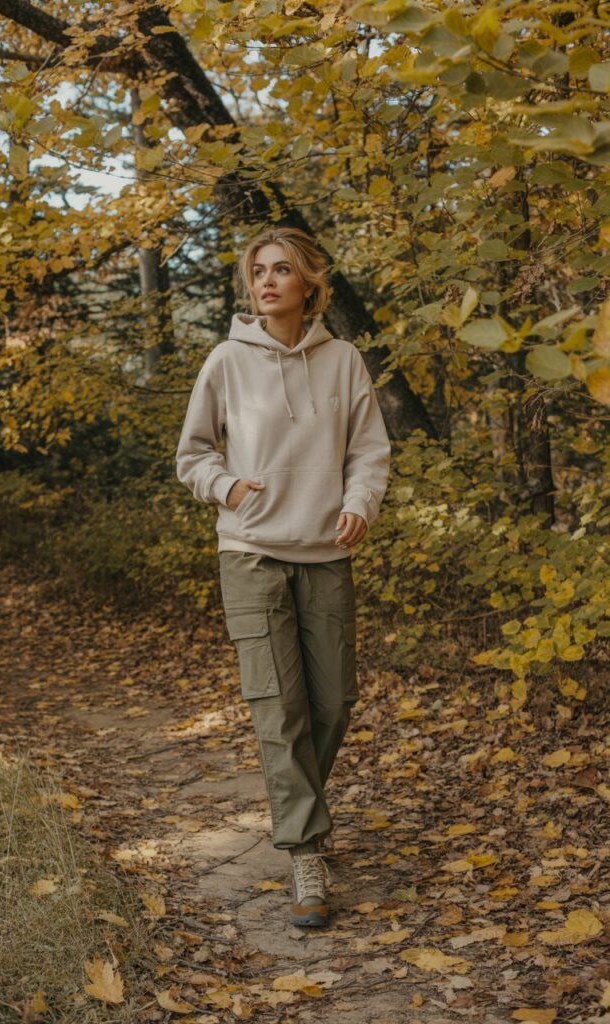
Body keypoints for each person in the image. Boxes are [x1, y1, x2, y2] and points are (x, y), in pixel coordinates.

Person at [175, 226, 391, 927]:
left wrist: (359, 503)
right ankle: (304, 848)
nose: (267, 281)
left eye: (282, 270)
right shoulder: (227, 361)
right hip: (251, 553)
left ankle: (302, 809)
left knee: (334, 704)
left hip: (326, 552)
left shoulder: (344, 361)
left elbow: (368, 452)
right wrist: (227, 486)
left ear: (308, 284)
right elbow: (193, 453)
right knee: (279, 710)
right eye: (258, 271)